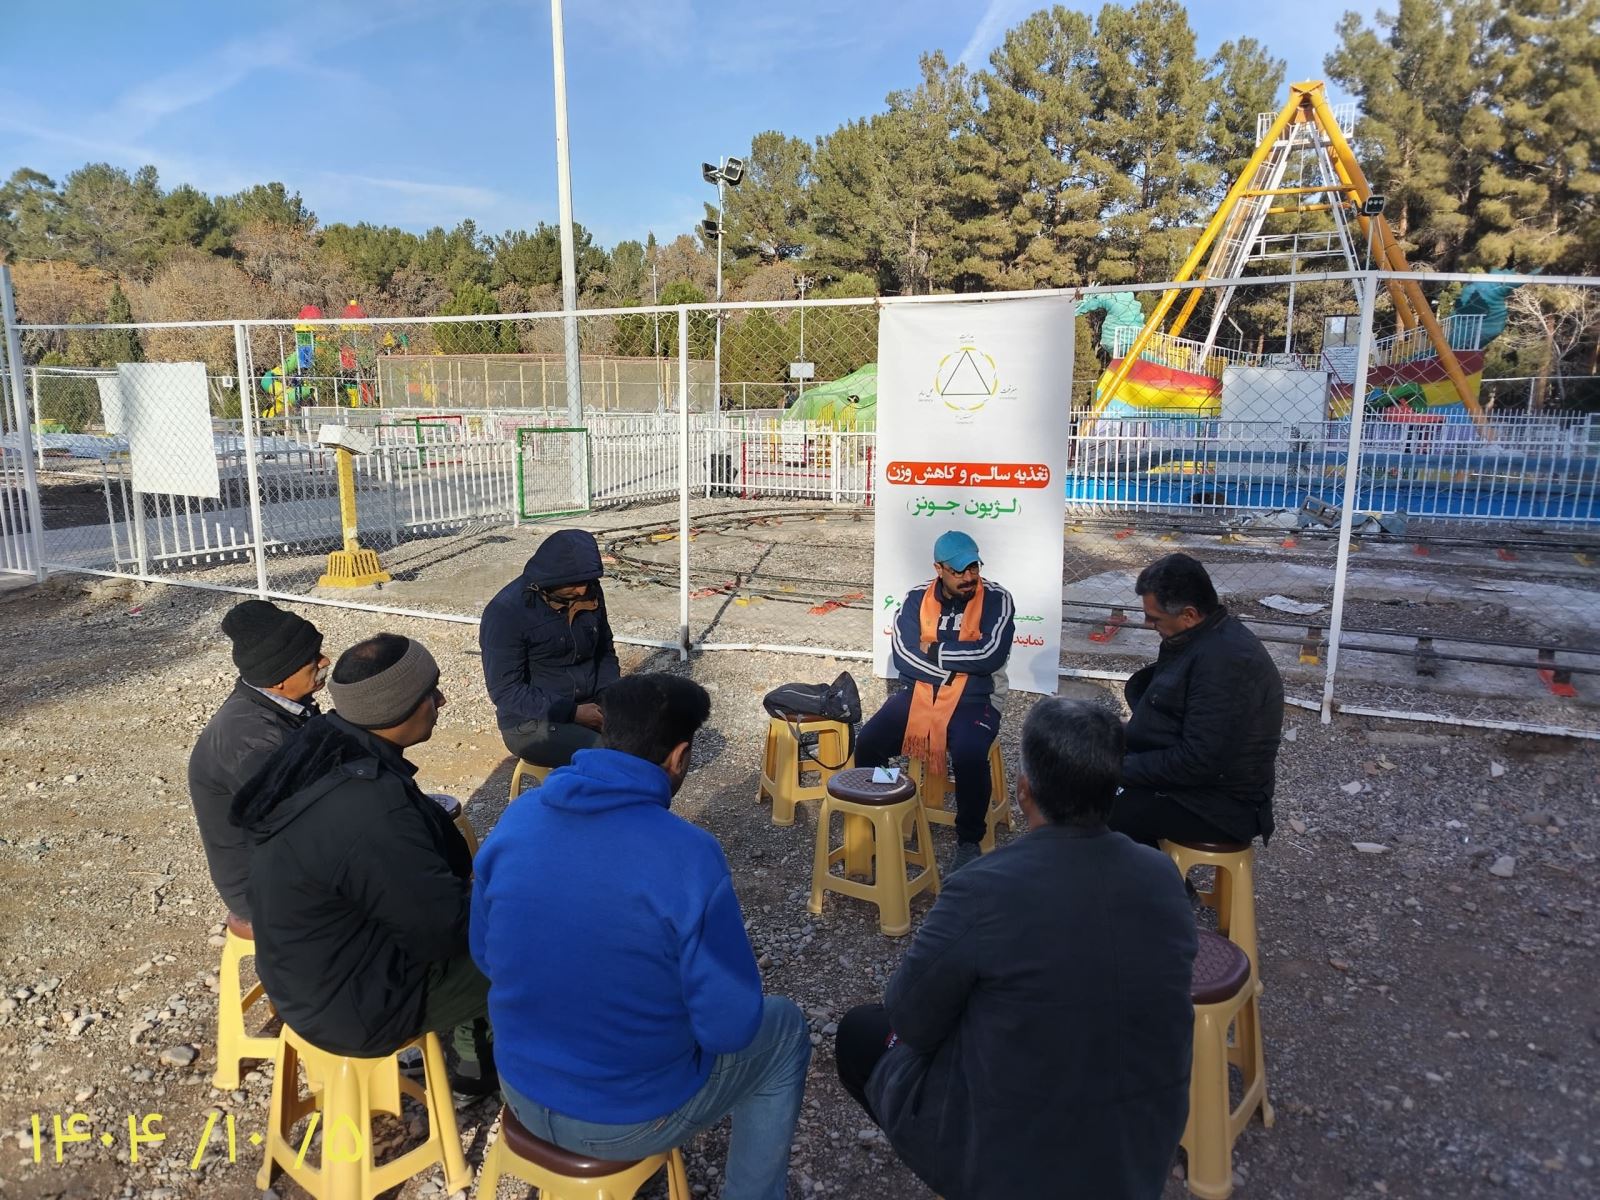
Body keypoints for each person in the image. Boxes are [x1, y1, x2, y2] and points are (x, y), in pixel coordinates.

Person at [835, 698, 1198, 1200]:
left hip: (1013, 1163)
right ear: (1113, 788)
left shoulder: (983, 886)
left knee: (861, 1033)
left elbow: (911, 1020)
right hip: (1141, 1152)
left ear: (1024, 790)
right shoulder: (1162, 877)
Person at [471, 673, 810, 1200]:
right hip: (624, 1119)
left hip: (519, 1088)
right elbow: (730, 1027)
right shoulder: (690, 855)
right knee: (783, 1028)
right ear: (680, 757)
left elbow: (486, 955)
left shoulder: (519, 818)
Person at [231, 634, 493, 1090]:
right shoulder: (373, 807)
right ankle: (489, 1071)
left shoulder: (320, 746)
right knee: (538, 942)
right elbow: (445, 932)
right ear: (398, 707)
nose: (442, 701)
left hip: (304, 980)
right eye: (430, 692)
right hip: (354, 1009)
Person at [855, 529, 1015, 875]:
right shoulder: (916, 598)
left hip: (977, 698)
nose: (969, 577)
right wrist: (954, 670)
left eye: (973, 567)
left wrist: (935, 650)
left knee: (969, 754)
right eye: (958, 571)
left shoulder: (998, 599)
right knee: (868, 742)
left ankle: (969, 840)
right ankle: (888, 804)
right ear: (939, 569)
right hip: (920, 693)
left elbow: (989, 655)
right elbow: (904, 657)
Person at [1110, 553, 1284, 848]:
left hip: (1220, 806)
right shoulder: (1202, 637)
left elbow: (1196, 762)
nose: (1148, 624)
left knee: (1093, 807)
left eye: (1155, 618)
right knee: (1091, 754)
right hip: (1197, 785)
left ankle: (1154, 879)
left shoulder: (1227, 660)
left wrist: (1114, 769)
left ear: (1189, 615)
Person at [187, 600, 328, 927]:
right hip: (266, 887)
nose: (325, 661)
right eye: (312, 658)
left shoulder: (276, 706)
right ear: (279, 678)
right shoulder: (252, 740)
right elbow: (301, 826)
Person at [480, 529, 620, 768]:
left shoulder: (589, 590)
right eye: (575, 583)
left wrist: (609, 698)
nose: (582, 590)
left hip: (589, 703)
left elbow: (604, 651)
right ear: (550, 578)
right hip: (531, 722)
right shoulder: (505, 612)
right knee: (608, 758)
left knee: (652, 736)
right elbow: (505, 691)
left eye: (587, 581)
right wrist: (573, 713)